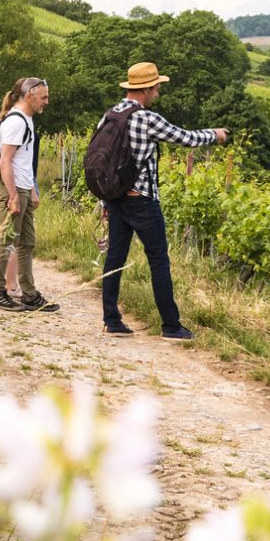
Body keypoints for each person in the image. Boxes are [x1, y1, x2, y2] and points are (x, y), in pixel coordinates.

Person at [97, 62, 227, 339]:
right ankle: (170, 325)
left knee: (115, 257)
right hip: (142, 200)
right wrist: (214, 135)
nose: (157, 93)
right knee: (158, 260)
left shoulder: (110, 115)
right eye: (156, 88)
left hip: (117, 198)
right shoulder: (146, 118)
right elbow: (185, 138)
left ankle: (111, 320)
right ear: (145, 89)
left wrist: (104, 201)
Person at [0, 76, 60, 312]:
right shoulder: (16, 122)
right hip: (13, 188)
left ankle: (29, 294)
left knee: (27, 242)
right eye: (44, 97)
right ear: (29, 96)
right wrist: (13, 195)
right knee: (6, 240)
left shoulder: (27, 120)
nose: (46, 102)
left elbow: (24, 161)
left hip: (23, 187)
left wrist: (32, 190)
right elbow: (5, 161)